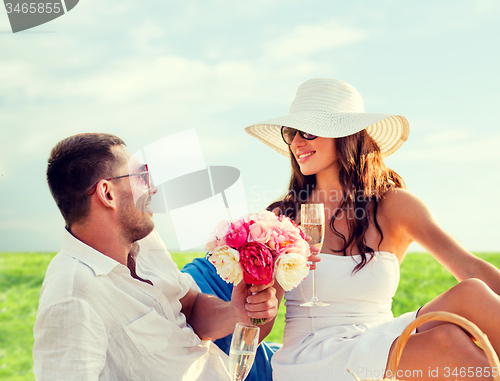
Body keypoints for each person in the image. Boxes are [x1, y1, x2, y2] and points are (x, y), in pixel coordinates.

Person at [244, 78, 500, 381]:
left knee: (471, 294)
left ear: (346, 135)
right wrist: (263, 306)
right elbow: (256, 331)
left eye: (308, 130)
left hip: (380, 334)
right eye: (290, 132)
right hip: (314, 354)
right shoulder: (280, 218)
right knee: (446, 342)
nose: (297, 142)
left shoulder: (395, 206)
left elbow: (469, 266)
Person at [33, 133, 278, 381]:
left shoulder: (143, 241)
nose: (152, 188)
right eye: (141, 177)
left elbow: (190, 307)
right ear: (108, 194)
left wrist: (235, 313)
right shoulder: (72, 297)